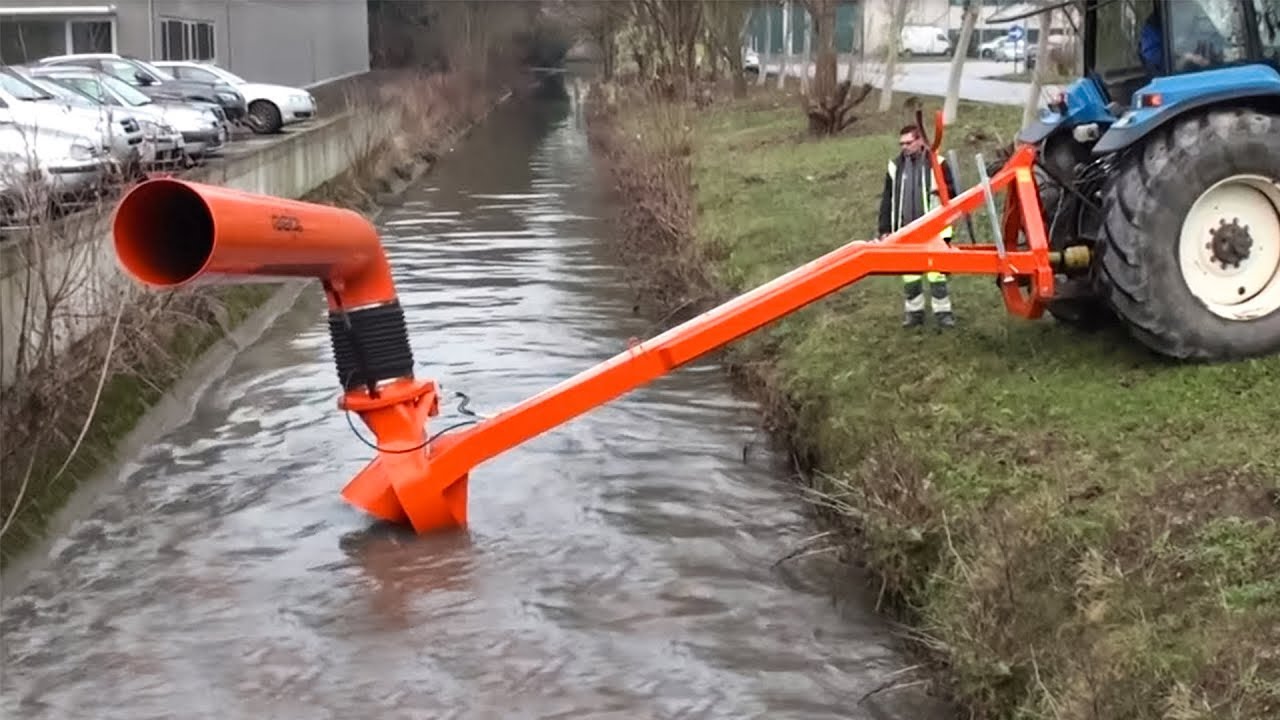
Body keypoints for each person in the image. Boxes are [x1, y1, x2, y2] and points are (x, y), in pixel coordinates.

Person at [877, 124, 958, 328]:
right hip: (905, 229)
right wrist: (885, 228)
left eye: (908, 142)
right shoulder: (895, 167)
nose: (904, 147)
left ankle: (943, 314)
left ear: (920, 141)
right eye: (901, 143)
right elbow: (887, 199)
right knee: (910, 273)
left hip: (936, 230)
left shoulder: (938, 164)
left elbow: (953, 195)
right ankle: (914, 314)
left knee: (937, 273)